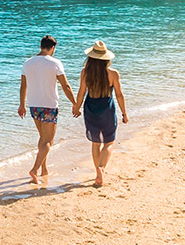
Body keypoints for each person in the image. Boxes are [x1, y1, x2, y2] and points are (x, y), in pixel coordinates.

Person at [18, 35, 78, 184]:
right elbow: (66, 86)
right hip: (49, 105)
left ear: (40, 46)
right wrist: (75, 103)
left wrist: (22, 105)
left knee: (42, 138)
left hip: (33, 105)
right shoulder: (55, 63)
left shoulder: (27, 63)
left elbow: (23, 86)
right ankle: (34, 169)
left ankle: (44, 170)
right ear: (52, 48)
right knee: (48, 140)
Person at [72, 41, 129, 187]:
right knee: (109, 142)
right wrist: (124, 113)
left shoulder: (85, 72)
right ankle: (101, 168)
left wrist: (76, 108)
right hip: (107, 110)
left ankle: (97, 169)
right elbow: (119, 95)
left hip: (90, 110)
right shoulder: (113, 74)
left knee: (95, 142)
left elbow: (81, 93)